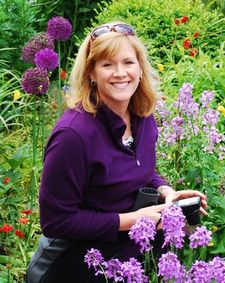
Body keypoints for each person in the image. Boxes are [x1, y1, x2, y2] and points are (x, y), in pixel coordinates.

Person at [26, 22, 207, 283]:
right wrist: (131, 220)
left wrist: (166, 192)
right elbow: (56, 222)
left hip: (126, 248)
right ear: (91, 73)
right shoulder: (73, 135)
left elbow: (139, 168)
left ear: (140, 69)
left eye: (128, 62)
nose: (120, 73)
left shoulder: (143, 117)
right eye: (107, 64)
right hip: (74, 260)